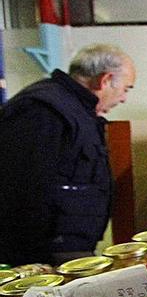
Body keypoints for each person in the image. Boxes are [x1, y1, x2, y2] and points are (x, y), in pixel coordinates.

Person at [0, 44, 136, 265]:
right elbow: (21, 187)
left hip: (68, 248)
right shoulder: (43, 110)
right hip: (44, 257)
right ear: (105, 80)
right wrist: (35, 263)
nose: (124, 98)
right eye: (126, 88)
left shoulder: (75, 111)